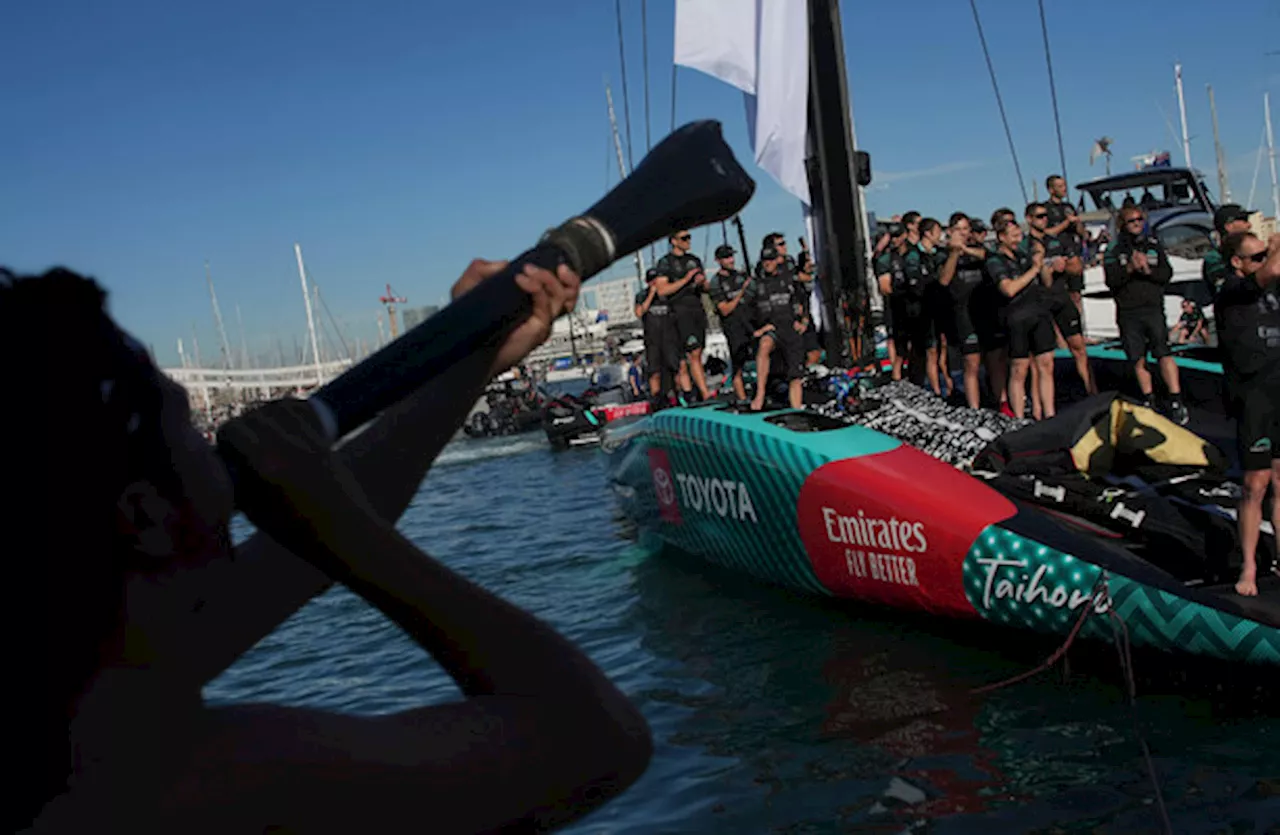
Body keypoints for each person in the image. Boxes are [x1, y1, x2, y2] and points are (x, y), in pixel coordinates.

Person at [10, 262, 652, 833]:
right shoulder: (166, 780)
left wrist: (470, 358)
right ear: (146, 515)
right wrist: (344, 531)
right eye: (190, 431)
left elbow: (304, 547)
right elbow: (595, 739)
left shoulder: (86, 668)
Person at [1210, 232, 1280, 595]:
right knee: (1256, 484)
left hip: (1279, 388)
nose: (1262, 262)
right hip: (1253, 398)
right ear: (1238, 262)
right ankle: (1249, 566)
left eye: (1264, 256)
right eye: (1256, 257)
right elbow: (1271, 270)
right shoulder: (1231, 291)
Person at [1103, 205, 1189, 425]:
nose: (1137, 224)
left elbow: (1166, 274)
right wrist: (1130, 268)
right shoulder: (1114, 249)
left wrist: (1148, 271)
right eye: (1132, 221)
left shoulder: (1152, 245)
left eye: (1140, 220)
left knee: (1163, 354)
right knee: (1138, 358)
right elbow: (1111, 281)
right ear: (1123, 223)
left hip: (1153, 308)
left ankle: (1176, 399)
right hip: (1129, 311)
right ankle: (1149, 398)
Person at [1024, 202, 1096, 396]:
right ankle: (1041, 406)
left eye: (1046, 216)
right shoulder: (1025, 245)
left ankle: (1092, 393)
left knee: (1079, 347)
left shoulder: (1056, 240)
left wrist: (1066, 266)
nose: (1044, 219)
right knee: (1041, 359)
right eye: (1039, 216)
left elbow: (1076, 267)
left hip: (1061, 297)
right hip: (1038, 302)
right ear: (1029, 219)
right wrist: (1047, 269)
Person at [986, 219, 1056, 420]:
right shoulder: (995, 260)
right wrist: (1033, 269)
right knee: (1019, 369)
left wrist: (1041, 264)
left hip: (1038, 313)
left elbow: (1047, 282)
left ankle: (1049, 413)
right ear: (1002, 237)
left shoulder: (1023, 256)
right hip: (1016, 318)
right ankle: (1017, 418)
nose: (1019, 240)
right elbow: (1008, 289)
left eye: (1020, 236)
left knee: (1046, 363)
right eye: (1014, 236)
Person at [938, 213, 991, 408]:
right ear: (951, 231)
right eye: (959, 230)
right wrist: (954, 253)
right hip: (962, 314)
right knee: (972, 362)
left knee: (992, 360)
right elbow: (944, 280)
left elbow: (989, 256)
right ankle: (974, 406)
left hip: (984, 311)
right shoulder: (943, 254)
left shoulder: (977, 249)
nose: (963, 233)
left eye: (966, 229)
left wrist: (966, 249)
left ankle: (992, 398)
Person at [654, 230, 711, 401]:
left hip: (697, 309)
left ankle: (695, 391)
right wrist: (686, 280)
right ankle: (703, 393)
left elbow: (705, 287)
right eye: (684, 238)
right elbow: (662, 290)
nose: (688, 241)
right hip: (679, 311)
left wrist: (703, 283)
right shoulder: (666, 262)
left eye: (689, 237)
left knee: (699, 352)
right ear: (673, 241)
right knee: (691, 353)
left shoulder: (694, 260)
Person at [748, 246, 807, 410]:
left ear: (777, 261)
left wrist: (803, 321)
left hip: (790, 329)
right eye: (765, 261)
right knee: (764, 345)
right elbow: (745, 310)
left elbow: (803, 298)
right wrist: (755, 330)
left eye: (771, 260)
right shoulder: (757, 284)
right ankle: (759, 396)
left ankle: (797, 408)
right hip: (771, 329)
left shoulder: (788, 280)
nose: (768, 264)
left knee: (795, 375)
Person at [634, 265, 689, 405]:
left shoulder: (668, 295)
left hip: (671, 338)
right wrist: (651, 294)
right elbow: (640, 312)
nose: (654, 282)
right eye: (651, 280)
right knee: (654, 372)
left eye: (656, 279)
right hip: (653, 340)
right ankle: (657, 401)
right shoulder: (642, 295)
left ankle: (682, 396)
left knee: (677, 368)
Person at [707, 244, 754, 401]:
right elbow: (725, 309)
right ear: (718, 260)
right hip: (733, 326)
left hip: (750, 322)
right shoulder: (716, 282)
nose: (731, 260)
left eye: (732, 256)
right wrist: (741, 293)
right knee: (738, 364)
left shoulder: (741, 275)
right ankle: (742, 399)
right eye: (727, 257)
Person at [874, 222, 912, 381]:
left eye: (898, 236)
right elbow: (884, 287)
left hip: (913, 304)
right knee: (895, 339)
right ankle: (896, 375)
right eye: (892, 237)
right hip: (895, 304)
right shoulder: (886, 258)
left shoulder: (912, 254)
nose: (895, 240)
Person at [1044, 175, 1087, 314]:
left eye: (1064, 185)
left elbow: (1081, 232)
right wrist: (1066, 223)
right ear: (1051, 190)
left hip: (1074, 252)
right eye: (1060, 186)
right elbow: (1046, 233)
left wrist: (1078, 223)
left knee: (1076, 295)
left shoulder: (1069, 207)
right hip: (1057, 256)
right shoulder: (1045, 209)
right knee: (1061, 296)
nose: (1064, 189)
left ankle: (1079, 326)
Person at [1203, 203, 1254, 303]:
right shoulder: (1214, 258)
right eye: (1244, 220)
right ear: (1229, 226)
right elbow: (1228, 289)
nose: (1249, 225)